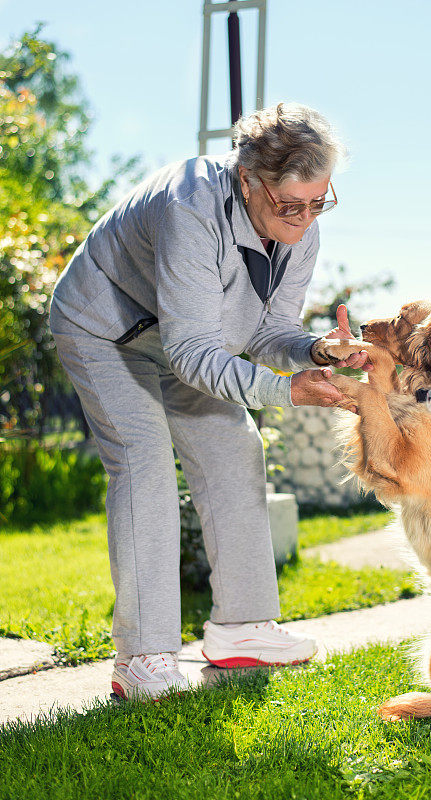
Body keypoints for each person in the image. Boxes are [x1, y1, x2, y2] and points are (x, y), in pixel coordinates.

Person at [48, 102, 369, 701]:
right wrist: (285, 391)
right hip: (104, 330)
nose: (304, 219)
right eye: (289, 206)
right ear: (248, 180)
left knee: (232, 445)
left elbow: (269, 331)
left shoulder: (300, 227)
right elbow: (195, 353)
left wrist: (318, 351)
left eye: (317, 203)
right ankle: (142, 659)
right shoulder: (191, 206)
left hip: (182, 341)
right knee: (144, 465)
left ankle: (241, 628)